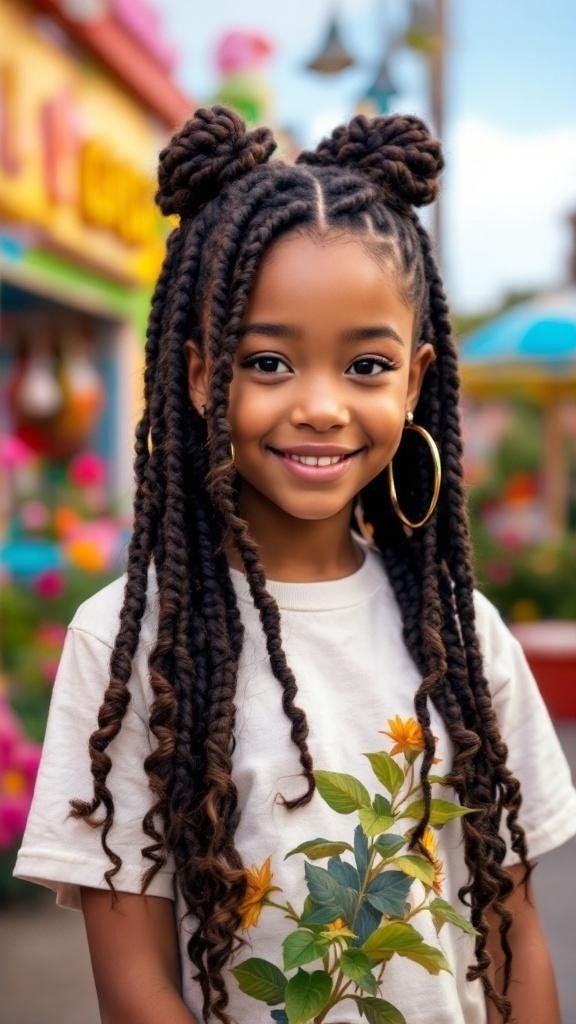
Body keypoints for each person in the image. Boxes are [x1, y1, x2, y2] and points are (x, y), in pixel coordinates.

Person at [14, 106, 576, 1024]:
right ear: (199, 377)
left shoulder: (467, 640)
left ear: (415, 379)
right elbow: (134, 988)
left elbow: (516, 935)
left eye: (365, 365)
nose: (320, 406)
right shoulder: (129, 642)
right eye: (268, 360)